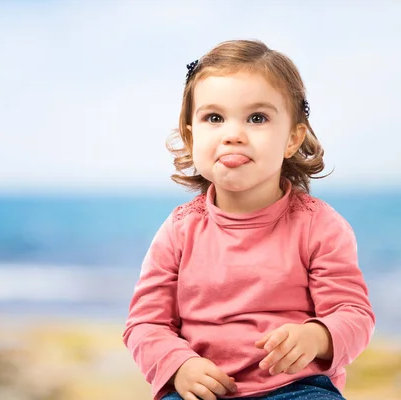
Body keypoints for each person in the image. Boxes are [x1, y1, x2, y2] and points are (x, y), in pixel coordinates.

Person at [122, 39, 375, 400]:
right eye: (214, 118)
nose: (233, 135)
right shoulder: (179, 231)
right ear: (192, 137)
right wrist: (179, 365)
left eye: (257, 118)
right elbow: (145, 324)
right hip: (201, 389)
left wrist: (317, 336)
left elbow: (353, 314)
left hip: (297, 387)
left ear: (292, 138)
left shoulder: (319, 226)